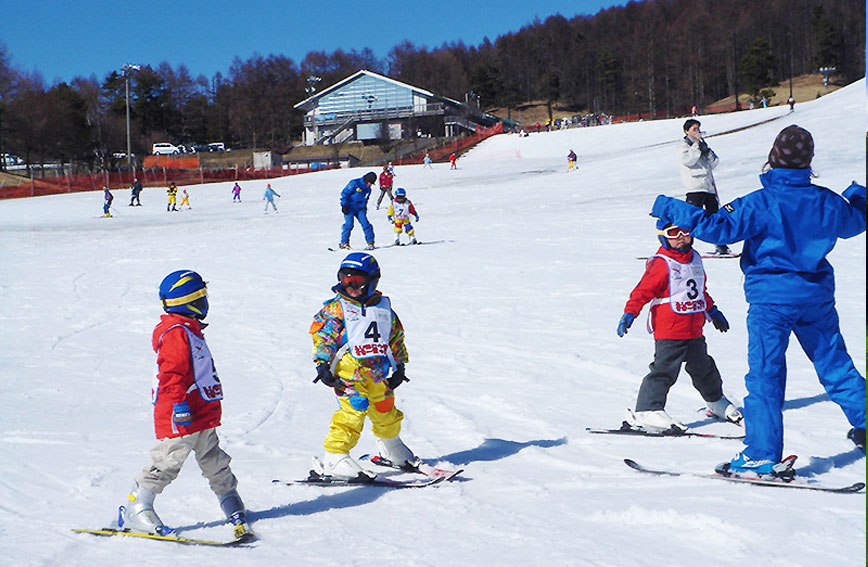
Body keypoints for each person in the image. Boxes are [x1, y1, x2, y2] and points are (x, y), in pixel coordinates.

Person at [652, 124, 867, 475]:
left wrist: (670, 208)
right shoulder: (827, 201)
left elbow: (719, 228)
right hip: (815, 299)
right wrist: (858, 195)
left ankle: (761, 454)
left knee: (766, 376)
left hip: (771, 303)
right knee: (836, 366)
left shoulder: (761, 202)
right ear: (808, 163)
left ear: (773, 159)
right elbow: (856, 221)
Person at [115, 270, 253, 540]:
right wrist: (179, 405)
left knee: (215, 461)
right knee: (167, 462)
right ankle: (138, 506)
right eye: (200, 296)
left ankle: (229, 498)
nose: (204, 301)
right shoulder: (176, 333)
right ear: (187, 301)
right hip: (181, 414)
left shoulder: (189, 329)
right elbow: (172, 375)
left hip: (202, 412)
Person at [617, 220, 742, 433]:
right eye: (674, 233)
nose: (682, 237)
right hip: (670, 327)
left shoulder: (694, 259)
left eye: (686, 232)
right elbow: (642, 291)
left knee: (703, 367)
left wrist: (712, 311)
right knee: (665, 368)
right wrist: (630, 313)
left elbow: (698, 290)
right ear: (663, 236)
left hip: (694, 326)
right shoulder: (661, 262)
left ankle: (714, 400)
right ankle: (647, 410)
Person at [309, 253, 416, 479]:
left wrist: (400, 365)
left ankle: (390, 445)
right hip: (348, 374)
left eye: (357, 282)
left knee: (385, 408)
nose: (350, 286)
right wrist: (322, 363)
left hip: (377, 372)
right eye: (344, 280)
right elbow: (324, 336)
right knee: (353, 411)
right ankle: (334, 456)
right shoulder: (336, 308)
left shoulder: (383, 308)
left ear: (372, 281)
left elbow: (395, 337)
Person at [679, 119, 730, 255]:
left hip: (708, 187)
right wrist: (695, 146)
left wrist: (707, 151)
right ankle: (684, 246)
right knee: (691, 218)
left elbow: (713, 163)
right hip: (695, 187)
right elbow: (688, 161)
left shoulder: (701, 145)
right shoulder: (683, 146)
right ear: (686, 131)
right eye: (694, 129)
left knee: (715, 217)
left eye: (698, 129)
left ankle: (721, 245)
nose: (697, 132)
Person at [339, 172, 377, 250]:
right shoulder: (354, 183)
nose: (370, 185)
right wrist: (344, 205)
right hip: (349, 207)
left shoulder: (368, 189)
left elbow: (366, 199)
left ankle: (370, 242)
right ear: (366, 180)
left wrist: (364, 207)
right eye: (370, 183)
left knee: (366, 224)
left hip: (360, 209)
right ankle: (344, 243)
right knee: (349, 225)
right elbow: (345, 193)